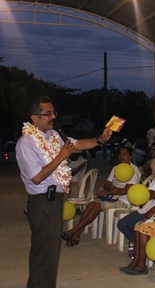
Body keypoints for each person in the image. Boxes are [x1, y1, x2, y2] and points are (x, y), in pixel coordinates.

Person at [16, 96, 112, 287]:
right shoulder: (25, 143)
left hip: (55, 199)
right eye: (48, 113)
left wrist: (100, 139)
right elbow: (37, 177)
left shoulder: (54, 135)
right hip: (42, 200)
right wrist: (62, 156)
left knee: (51, 250)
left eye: (54, 112)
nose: (53, 116)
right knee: (43, 250)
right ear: (34, 118)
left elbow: (78, 145)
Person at [62, 146, 140, 245]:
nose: (121, 156)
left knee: (97, 206)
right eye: (120, 154)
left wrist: (111, 191)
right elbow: (107, 184)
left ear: (130, 156)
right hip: (112, 198)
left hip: (125, 201)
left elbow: (126, 190)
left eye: (125, 154)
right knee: (91, 205)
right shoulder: (116, 168)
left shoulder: (134, 170)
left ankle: (74, 231)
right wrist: (112, 190)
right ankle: (76, 235)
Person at [117, 150, 155, 256]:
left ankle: (140, 250)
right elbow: (148, 193)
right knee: (122, 224)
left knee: (133, 225)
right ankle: (141, 247)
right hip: (146, 208)